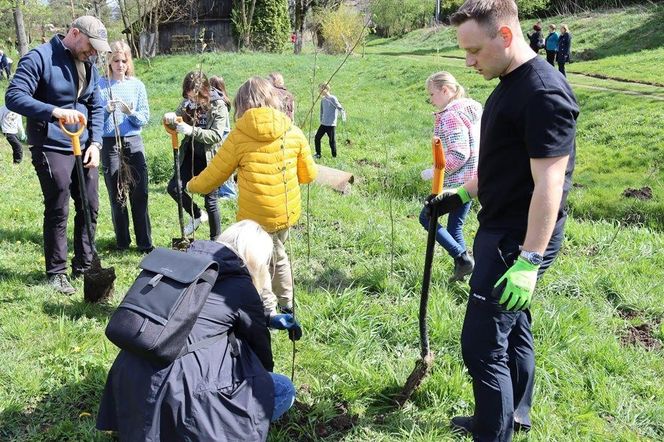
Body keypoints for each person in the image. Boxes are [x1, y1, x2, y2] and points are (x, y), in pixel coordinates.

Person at [428, 1, 579, 440]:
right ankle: (512, 415)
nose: (468, 62)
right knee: (514, 329)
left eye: (474, 51)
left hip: (517, 239)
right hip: (501, 227)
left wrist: (529, 260)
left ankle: (492, 433)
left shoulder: (543, 94)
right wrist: (460, 192)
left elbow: (550, 184)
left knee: (480, 347)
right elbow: (501, 165)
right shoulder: (508, 83)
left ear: (506, 37)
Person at [96, 220, 301, 441]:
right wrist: (262, 382)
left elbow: (201, 315)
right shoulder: (241, 285)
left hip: (128, 379)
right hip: (181, 393)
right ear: (256, 259)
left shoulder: (179, 266)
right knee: (282, 389)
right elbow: (259, 347)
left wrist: (267, 318)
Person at [187, 76, 318, 317]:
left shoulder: (239, 136)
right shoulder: (293, 131)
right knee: (278, 253)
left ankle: (271, 308)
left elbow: (215, 174)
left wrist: (192, 185)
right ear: (272, 99)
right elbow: (309, 174)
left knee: (263, 261)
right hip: (285, 211)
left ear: (241, 105)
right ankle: (284, 304)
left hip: (254, 217)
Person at [5, 15, 111, 294]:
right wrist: (54, 111)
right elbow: (14, 96)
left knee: (90, 205)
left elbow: (96, 105)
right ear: (74, 33)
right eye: (91, 45)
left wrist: (96, 144)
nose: (94, 52)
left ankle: (86, 266)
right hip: (51, 144)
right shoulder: (39, 58)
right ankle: (56, 272)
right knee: (59, 204)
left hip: (85, 145)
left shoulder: (89, 65)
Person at [419, 71, 481, 282]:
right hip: (473, 179)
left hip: (456, 183)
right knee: (455, 226)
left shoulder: (450, 116)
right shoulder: (469, 110)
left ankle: (462, 258)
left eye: (432, 94)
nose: (431, 99)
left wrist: (435, 171)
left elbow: (459, 153)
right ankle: (464, 273)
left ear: (445, 90)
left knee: (426, 217)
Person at [99, 40, 153, 253]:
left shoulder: (137, 85)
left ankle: (144, 242)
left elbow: (144, 117)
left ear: (128, 62)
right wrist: (106, 110)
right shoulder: (101, 85)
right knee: (116, 193)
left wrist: (130, 113)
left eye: (124, 60)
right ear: (109, 62)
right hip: (110, 142)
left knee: (140, 192)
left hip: (132, 140)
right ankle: (122, 241)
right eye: (116, 60)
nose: (120, 64)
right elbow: (96, 118)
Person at [163, 71, 229, 240]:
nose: (193, 100)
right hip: (191, 153)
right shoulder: (188, 102)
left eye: (196, 97)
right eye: (189, 96)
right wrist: (171, 118)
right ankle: (198, 214)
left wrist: (192, 130)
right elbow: (176, 118)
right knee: (174, 188)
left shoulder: (218, 105)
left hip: (210, 156)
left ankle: (216, 241)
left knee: (211, 200)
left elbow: (215, 135)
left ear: (205, 91)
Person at [208, 75, 237, 200]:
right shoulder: (224, 99)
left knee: (224, 165)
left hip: (222, 136)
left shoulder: (220, 102)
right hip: (224, 135)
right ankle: (221, 189)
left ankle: (229, 193)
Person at [314, 82, 345, 159]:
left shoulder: (333, 98)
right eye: (319, 89)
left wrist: (343, 113)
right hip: (323, 124)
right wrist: (321, 120)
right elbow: (321, 111)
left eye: (321, 89)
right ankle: (318, 154)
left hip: (331, 124)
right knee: (317, 137)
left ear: (326, 89)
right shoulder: (323, 100)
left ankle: (334, 156)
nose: (320, 90)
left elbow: (339, 107)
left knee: (331, 141)